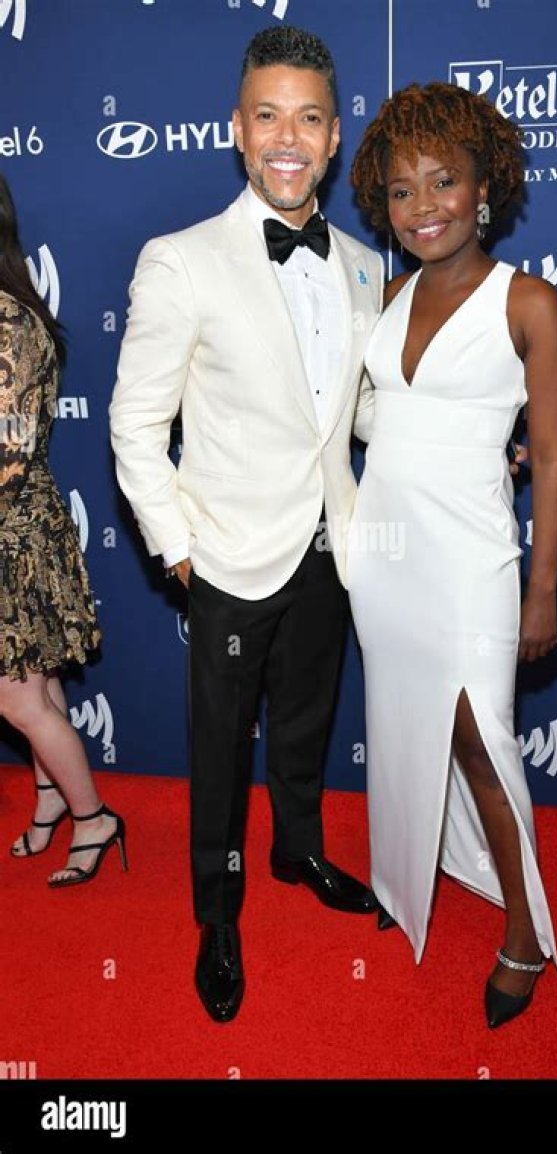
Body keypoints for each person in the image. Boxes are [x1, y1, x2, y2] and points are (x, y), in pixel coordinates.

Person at [109, 26, 385, 1025]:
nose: (287, 138)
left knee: (308, 719)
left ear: (335, 136)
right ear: (237, 128)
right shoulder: (182, 260)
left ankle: (298, 849)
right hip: (226, 552)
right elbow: (135, 421)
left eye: (308, 119)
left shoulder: (364, 265)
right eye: (268, 115)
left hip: (328, 545)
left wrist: (467, 434)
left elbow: (361, 412)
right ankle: (217, 914)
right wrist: (179, 549)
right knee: (222, 750)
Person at [348, 82, 557, 1028]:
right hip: (384, 557)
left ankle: (524, 931)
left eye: (444, 181)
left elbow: (552, 455)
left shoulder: (529, 303)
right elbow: (374, 418)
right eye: (401, 190)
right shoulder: (387, 297)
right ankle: (410, 875)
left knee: (482, 741)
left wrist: (542, 589)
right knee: (409, 726)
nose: (423, 206)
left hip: (472, 559)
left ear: (486, 187)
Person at [0, 173, 126, 888]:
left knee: (14, 696)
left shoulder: (9, 322)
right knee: (37, 685)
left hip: (12, 532)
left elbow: (11, 451)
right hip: (18, 527)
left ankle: (93, 817)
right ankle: (52, 798)